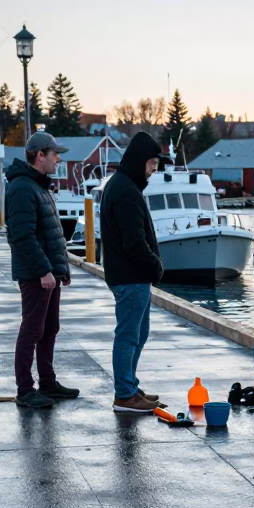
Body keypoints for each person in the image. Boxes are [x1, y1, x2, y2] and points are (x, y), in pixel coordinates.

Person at [6, 131, 79, 409]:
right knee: (32, 329)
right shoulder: (23, 187)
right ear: (40, 156)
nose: (58, 159)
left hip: (49, 271)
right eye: (55, 154)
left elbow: (50, 233)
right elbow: (22, 236)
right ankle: (25, 390)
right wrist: (43, 271)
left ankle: (48, 382)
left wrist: (61, 268)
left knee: (50, 328)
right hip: (36, 274)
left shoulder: (39, 185)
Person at [100, 130, 169, 413]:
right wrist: (155, 265)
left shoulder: (124, 185)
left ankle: (130, 385)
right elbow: (134, 241)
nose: (153, 170)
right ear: (141, 160)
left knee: (139, 333)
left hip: (132, 276)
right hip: (130, 277)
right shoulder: (125, 190)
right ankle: (124, 395)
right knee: (128, 335)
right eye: (152, 164)